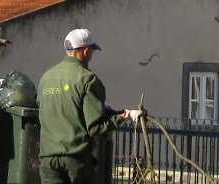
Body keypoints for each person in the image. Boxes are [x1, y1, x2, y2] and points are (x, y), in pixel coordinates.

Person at [37, 28, 144, 184]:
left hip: (47, 160)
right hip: (75, 160)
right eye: (92, 51)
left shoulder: (46, 78)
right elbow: (96, 128)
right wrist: (123, 116)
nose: (92, 55)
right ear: (86, 51)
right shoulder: (88, 79)